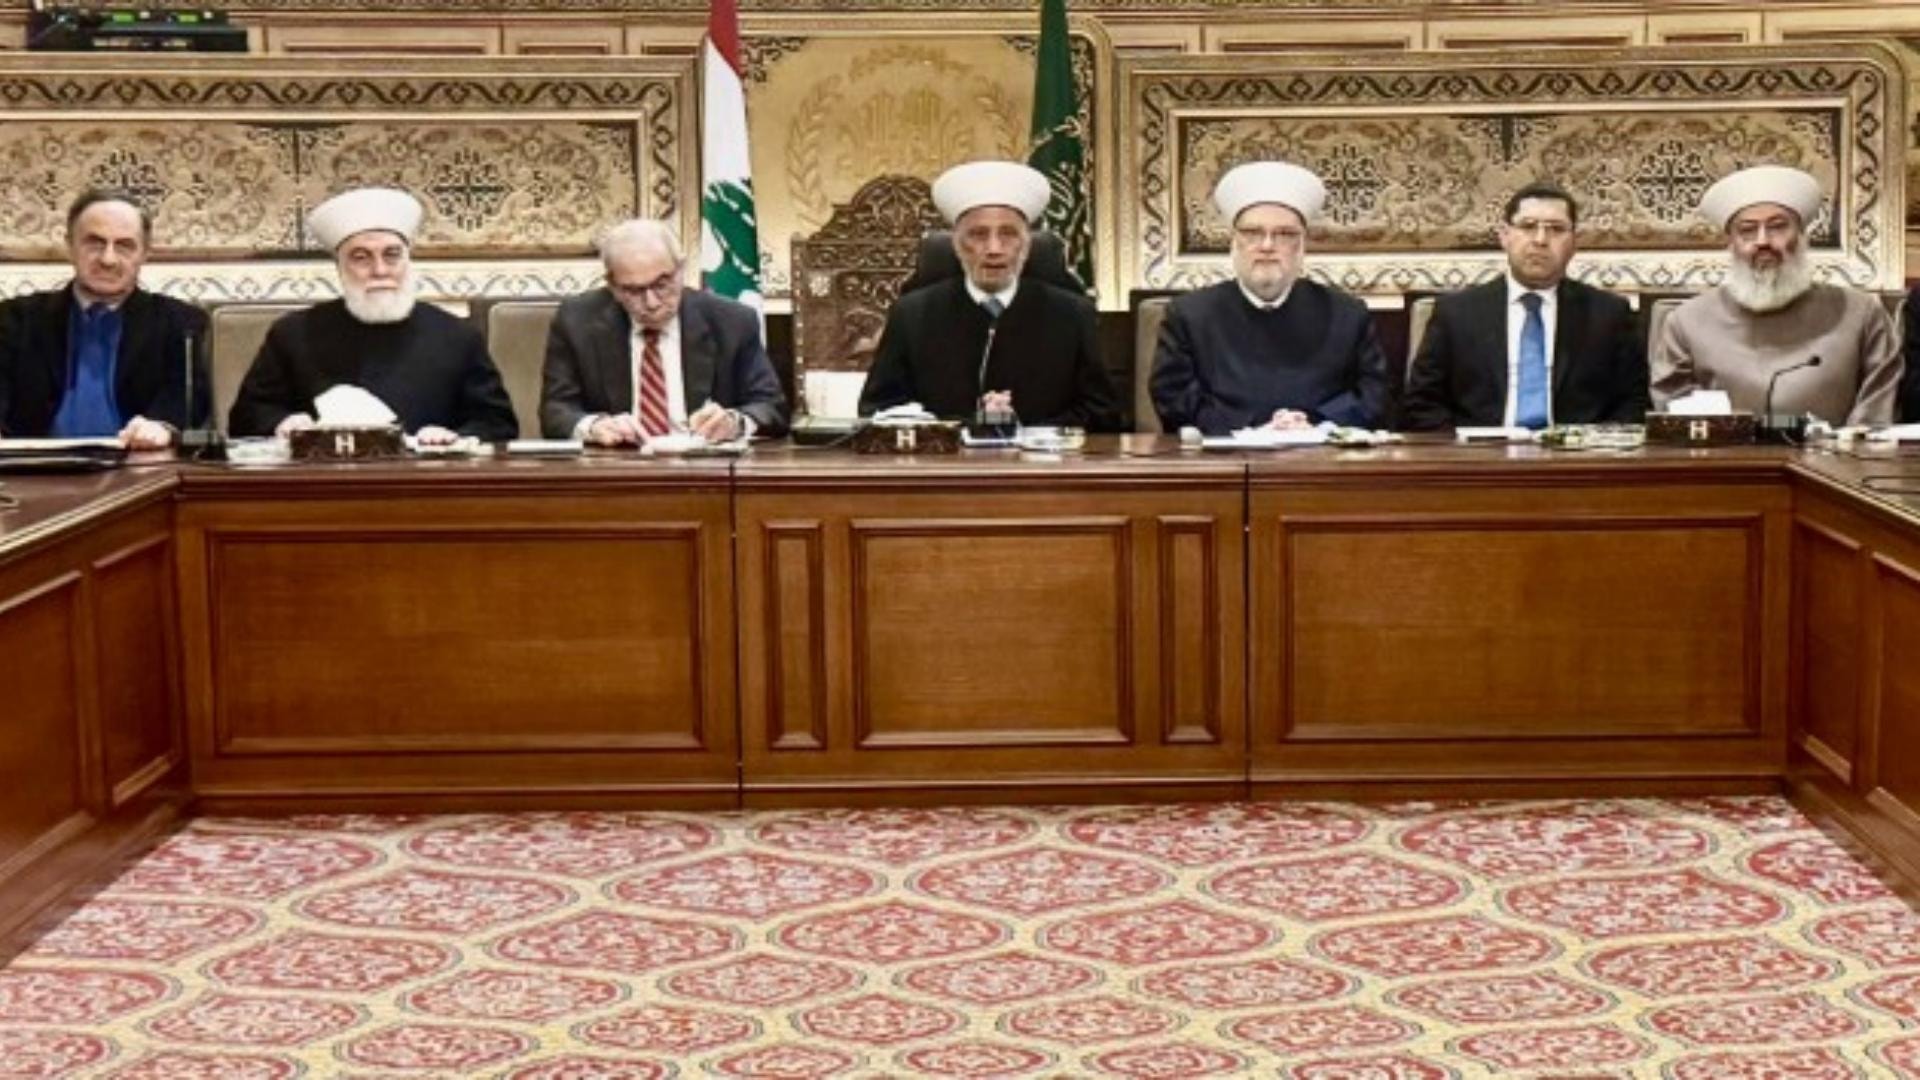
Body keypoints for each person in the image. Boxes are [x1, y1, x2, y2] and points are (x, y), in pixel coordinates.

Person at [228, 187, 517, 442]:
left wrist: (455, 438)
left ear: (408, 260)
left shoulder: (458, 337)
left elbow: (497, 424)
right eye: (361, 257)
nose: (379, 270)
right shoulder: (293, 335)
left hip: (426, 481)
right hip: (322, 481)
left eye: (391, 255)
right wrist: (283, 423)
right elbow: (246, 418)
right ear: (339, 267)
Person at [857, 160, 1120, 431]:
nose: (994, 249)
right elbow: (878, 409)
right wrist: (948, 432)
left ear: (1026, 246)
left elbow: (1103, 414)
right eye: (978, 235)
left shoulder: (1072, 314)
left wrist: (1029, 434)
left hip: (1042, 456)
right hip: (943, 456)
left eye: (1008, 234)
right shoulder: (912, 314)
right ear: (957, 246)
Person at [1150, 161, 1390, 434]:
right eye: (1252, 233)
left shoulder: (1347, 315)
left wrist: (1317, 427)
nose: (1267, 246)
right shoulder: (1190, 316)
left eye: (1284, 234)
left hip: (1323, 452)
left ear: (1302, 245)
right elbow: (1173, 398)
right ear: (1233, 242)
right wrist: (1251, 431)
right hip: (1224, 454)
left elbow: (1374, 396)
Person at [1652, 164, 1902, 426]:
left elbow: (1876, 412)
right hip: (1725, 453)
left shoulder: (1860, 313)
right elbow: (1676, 414)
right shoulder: (1686, 322)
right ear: (1731, 243)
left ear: (1802, 235)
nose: (1763, 241)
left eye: (1778, 227)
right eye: (1747, 230)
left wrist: (1839, 447)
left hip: (1833, 453)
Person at [1404, 182, 1646, 430]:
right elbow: (1422, 402)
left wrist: (1593, 445)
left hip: (1576, 451)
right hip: (1480, 450)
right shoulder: (1456, 313)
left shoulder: (1608, 315)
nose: (1540, 240)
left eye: (1556, 229)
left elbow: (1632, 403)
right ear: (1504, 236)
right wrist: (1463, 448)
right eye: (1528, 226)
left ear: (1575, 242)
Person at [540, 218, 787, 444]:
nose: (651, 303)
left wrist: (734, 423)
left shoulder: (731, 321)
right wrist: (593, 426)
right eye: (633, 291)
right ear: (612, 285)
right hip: (617, 464)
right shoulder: (577, 321)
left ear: (681, 270)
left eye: (662, 284)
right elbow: (555, 411)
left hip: (704, 466)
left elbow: (771, 407)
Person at [0, 189, 207, 447]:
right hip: (33, 465)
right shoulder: (15, 320)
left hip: (140, 463)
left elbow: (188, 396)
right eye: (95, 243)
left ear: (145, 254)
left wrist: (161, 426)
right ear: (70, 245)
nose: (108, 259)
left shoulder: (181, 323)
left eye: (124, 246)